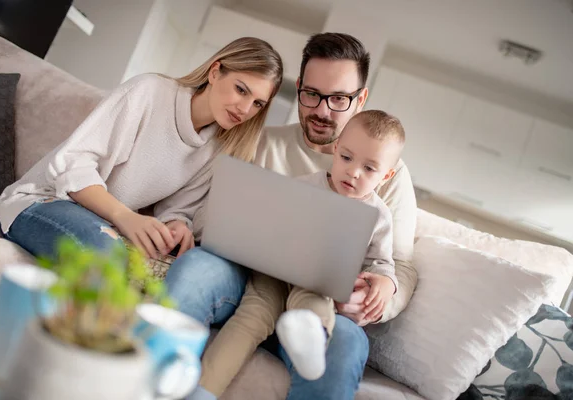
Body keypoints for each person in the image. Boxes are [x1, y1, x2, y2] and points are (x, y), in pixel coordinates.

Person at [167, 32, 418, 400]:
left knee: (344, 344)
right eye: (312, 94)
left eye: (338, 98)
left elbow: (401, 266)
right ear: (298, 88)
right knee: (195, 271)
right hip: (246, 277)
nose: (322, 110)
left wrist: (379, 297)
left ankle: (309, 335)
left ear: (360, 98)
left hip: (323, 300)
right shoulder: (262, 140)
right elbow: (209, 213)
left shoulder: (388, 173)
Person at [0, 37, 283, 260]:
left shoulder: (217, 147)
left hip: (102, 224)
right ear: (215, 72)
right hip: (40, 202)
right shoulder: (149, 92)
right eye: (241, 90)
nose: (245, 109)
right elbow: (72, 164)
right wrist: (125, 217)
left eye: (258, 103)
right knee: (106, 257)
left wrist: (177, 226)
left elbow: (178, 209)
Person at [201, 110, 405, 396]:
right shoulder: (305, 184)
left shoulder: (379, 216)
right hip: (271, 275)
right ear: (335, 149)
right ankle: (203, 390)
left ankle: (312, 342)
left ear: (387, 175)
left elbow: (383, 262)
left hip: (318, 283)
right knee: (249, 320)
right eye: (346, 158)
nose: (354, 172)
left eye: (369, 168)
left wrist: (387, 281)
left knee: (314, 303)